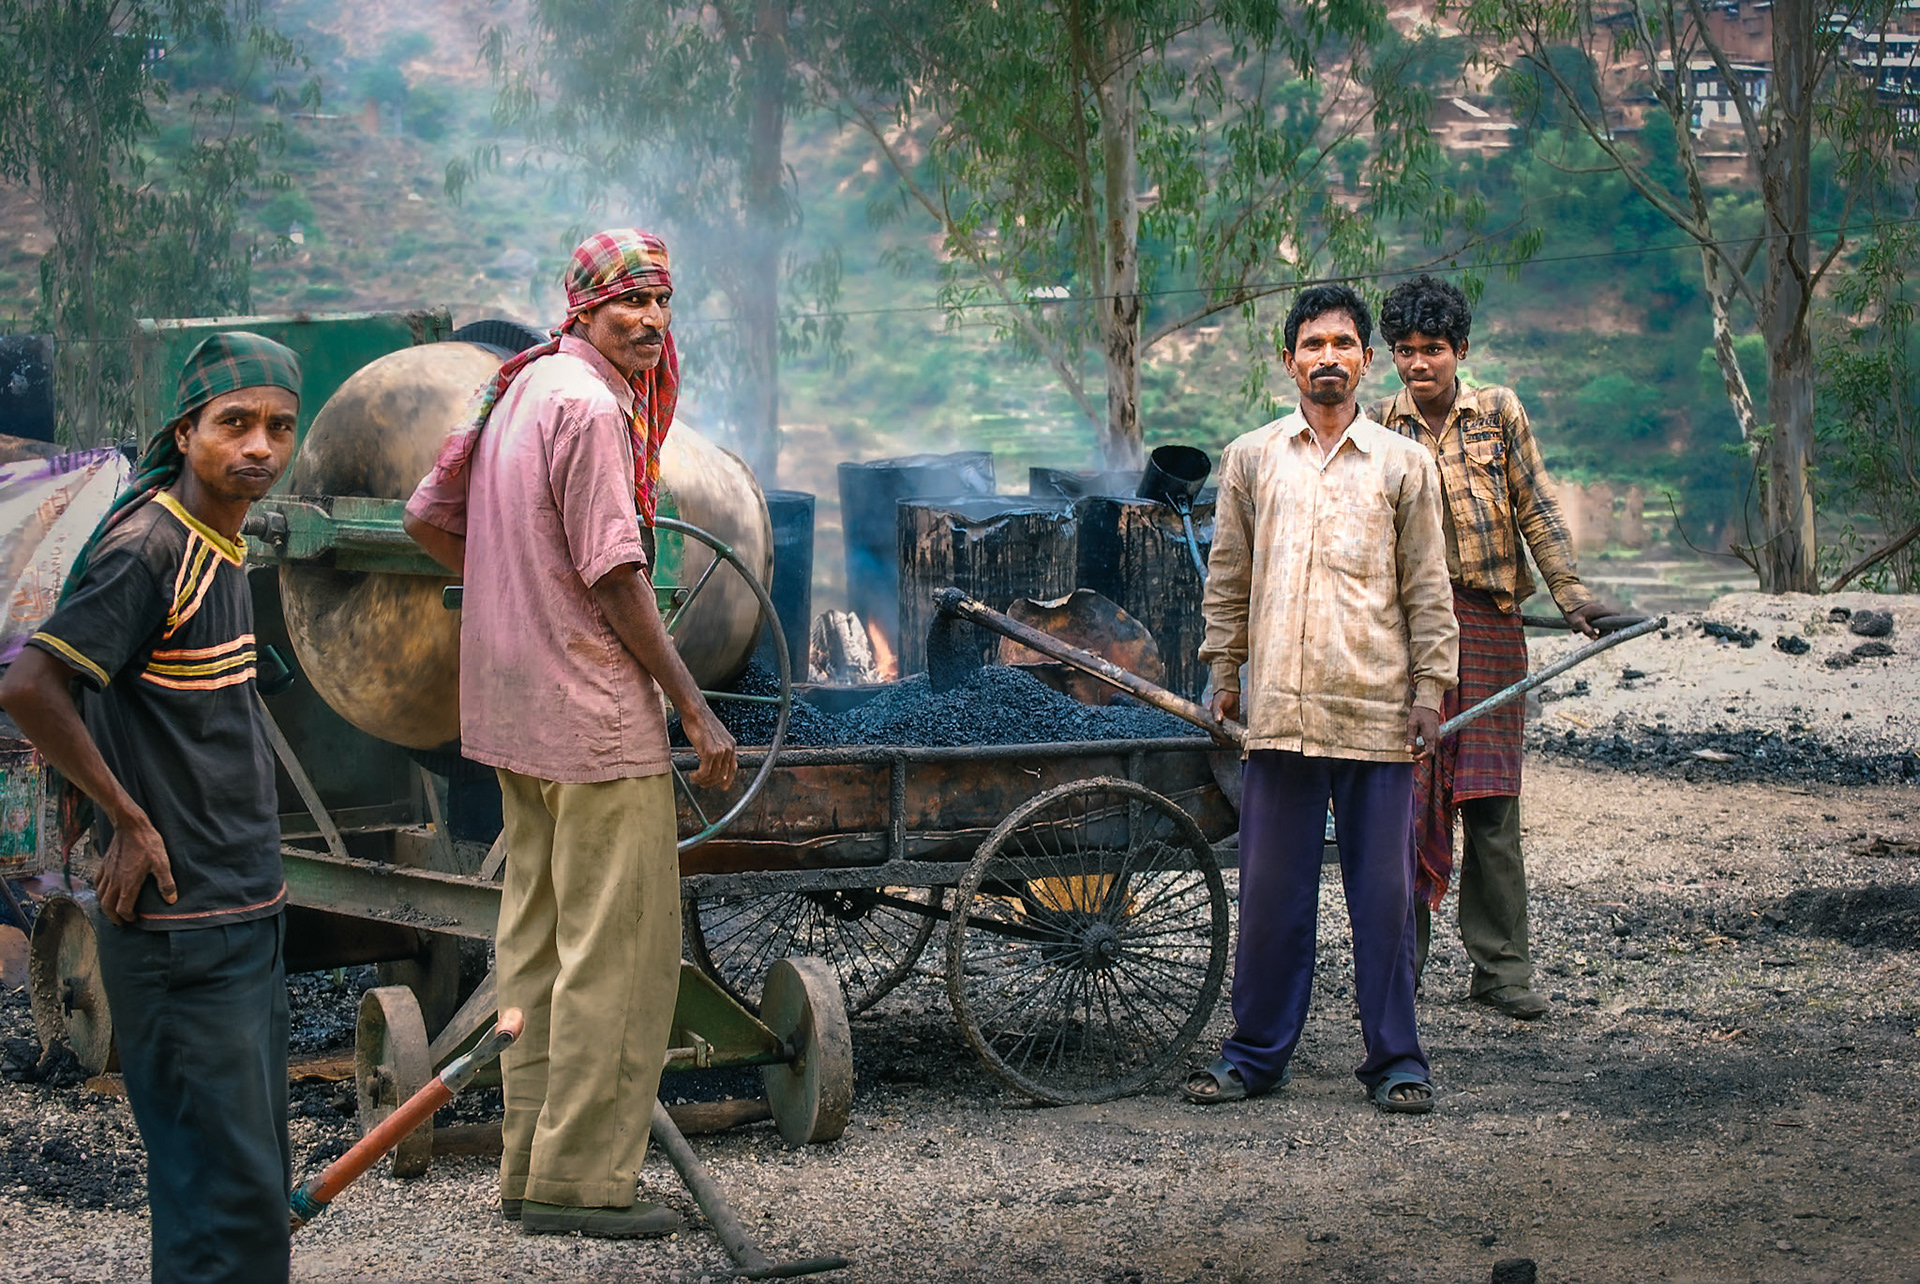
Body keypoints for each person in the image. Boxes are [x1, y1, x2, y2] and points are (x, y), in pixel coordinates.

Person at [404, 227, 737, 1238]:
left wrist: (516, 572)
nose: (646, 320)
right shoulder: (591, 408)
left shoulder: (523, 391)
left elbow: (427, 518)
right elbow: (614, 573)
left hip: (515, 718)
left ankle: (529, 1171)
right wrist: (693, 702)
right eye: (625, 304)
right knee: (619, 960)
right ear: (581, 311)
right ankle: (584, 1183)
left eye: (660, 303)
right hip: (595, 725)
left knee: (540, 953)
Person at [0, 333, 302, 1283]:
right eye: (236, 423)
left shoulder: (224, 539)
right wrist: (125, 816)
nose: (260, 446)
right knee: (224, 1209)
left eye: (280, 427)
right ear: (189, 429)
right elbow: (32, 687)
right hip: (183, 930)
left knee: (248, 1196)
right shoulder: (150, 546)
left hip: (244, 913)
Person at [1187, 284, 1457, 1114]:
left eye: (1343, 344)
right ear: (1289, 360)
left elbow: (1427, 588)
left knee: (1383, 899)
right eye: (1313, 345)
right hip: (1279, 715)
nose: (1328, 358)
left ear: (1365, 361)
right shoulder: (1252, 458)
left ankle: (1396, 1062)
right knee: (1271, 897)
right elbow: (1228, 580)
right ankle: (1255, 1058)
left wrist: (1431, 689)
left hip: (1376, 711)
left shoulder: (1404, 465)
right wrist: (1223, 670)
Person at [1372, 274, 1607, 1022]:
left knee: (1492, 805)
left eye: (1432, 349)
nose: (1419, 364)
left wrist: (1571, 597)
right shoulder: (1382, 428)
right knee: (1407, 803)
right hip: (1412, 636)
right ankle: (1396, 972)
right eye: (1405, 351)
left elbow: (1536, 506)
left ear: (1460, 350)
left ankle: (1502, 972)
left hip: (1493, 624)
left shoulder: (1497, 412)